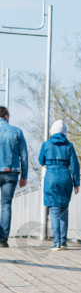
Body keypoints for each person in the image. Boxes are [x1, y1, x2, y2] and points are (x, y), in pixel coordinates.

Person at [38, 120, 80, 250]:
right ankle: (63, 241)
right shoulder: (69, 146)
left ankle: (56, 242)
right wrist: (76, 183)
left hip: (51, 178)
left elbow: (41, 160)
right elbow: (74, 165)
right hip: (65, 178)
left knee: (54, 212)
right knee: (64, 211)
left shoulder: (46, 144)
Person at [0, 106, 28, 247]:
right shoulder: (17, 132)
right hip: (11, 172)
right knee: (6, 205)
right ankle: (3, 239)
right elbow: (23, 156)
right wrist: (24, 176)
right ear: (6, 116)